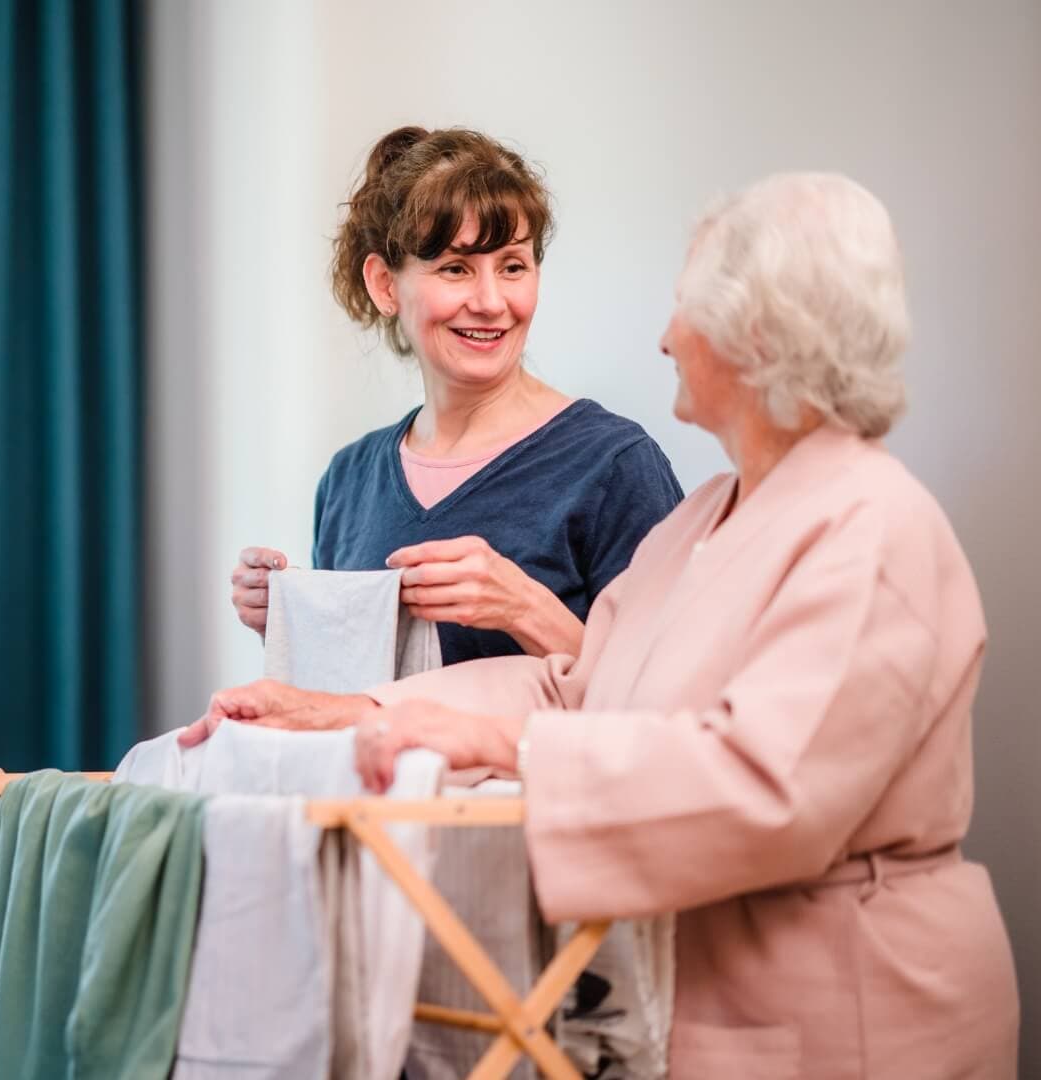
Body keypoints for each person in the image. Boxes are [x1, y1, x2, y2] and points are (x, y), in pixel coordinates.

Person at [185, 172, 1019, 1077]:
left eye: (685, 311)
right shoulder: (709, 517)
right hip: (707, 991)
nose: (664, 338)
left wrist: (518, 753)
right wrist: (354, 714)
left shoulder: (872, 526)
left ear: (760, 336)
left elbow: (766, 790)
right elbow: (575, 685)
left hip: (854, 1007)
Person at [229, 125, 681, 671]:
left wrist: (525, 608)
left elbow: (670, 699)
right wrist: (289, 619)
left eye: (513, 266)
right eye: (455, 269)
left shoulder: (614, 466)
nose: (491, 302)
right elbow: (353, 700)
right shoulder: (348, 482)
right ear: (385, 286)